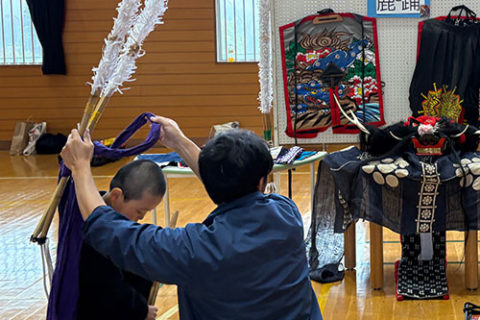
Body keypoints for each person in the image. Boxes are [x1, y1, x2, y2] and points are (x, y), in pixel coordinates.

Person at [61, 116, 322, 320]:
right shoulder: (287, 213)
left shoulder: (194, 250)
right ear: (263, 181)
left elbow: (109, 230)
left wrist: (81, 169)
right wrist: (179, 142)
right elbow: (228, 187)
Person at [77, 160, 165, 320]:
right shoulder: (95, 229)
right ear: (116, 195)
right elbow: (105, 285)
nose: (141, 217)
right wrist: (140, 310)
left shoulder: (113, 221)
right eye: (139, 210)